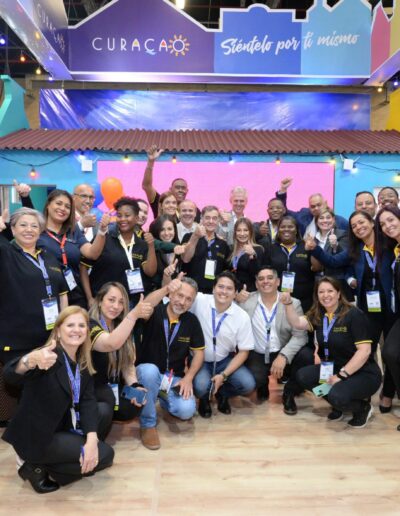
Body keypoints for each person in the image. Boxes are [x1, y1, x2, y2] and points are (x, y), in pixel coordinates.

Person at [2, 306, 114, 492]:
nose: (76, 330)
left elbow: (87, 402)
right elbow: (10, 376)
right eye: (70, 325)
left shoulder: (82, 361)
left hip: (61, 424)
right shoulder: (46, 356)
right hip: (37, 435)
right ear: (58, 331)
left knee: (101, 413)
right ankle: (33, 464)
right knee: (106, 455)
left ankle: (56, 464)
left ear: (87, 332)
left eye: (81, 325)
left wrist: (91, 440)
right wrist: (29, 360)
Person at [306, 210, 396, 412]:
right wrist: (315, 249)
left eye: (362, 222)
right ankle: (361, 392)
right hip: (368, 310)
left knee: (390, 353)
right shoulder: (356, 250)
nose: (358, 227)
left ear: (372, 223)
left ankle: (388, 393)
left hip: (391, 309)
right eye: (354, 226)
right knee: (365, 352)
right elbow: (334, 262)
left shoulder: (389, 245)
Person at [282, 277, 382, 428]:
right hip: (335, 367)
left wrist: (341, 376)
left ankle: (362, 408)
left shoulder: (354, 315)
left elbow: (365, 351)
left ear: (339, 293)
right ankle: (339, 405)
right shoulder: (319, 314)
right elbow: (297, 323)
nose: (325, 295)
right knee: (303, 376)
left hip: (363, 372)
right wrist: (288, 304)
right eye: (321, 292)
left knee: (337, 395)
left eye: (330, 291)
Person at [135, 277, 205, 450]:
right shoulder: (155, 312)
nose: (182, 302)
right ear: (171, 294)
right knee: (149, 371)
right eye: (180, 295)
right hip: (146, 374)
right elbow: (145, 305)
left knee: (186, 411)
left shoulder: (192, 322)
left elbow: (199, 353)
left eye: (188, 299)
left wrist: (188, 377)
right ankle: (148, 424)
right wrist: (166, 288)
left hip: (172, 379)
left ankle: (159, 398)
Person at [0, 208, 68, 365]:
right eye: (23, 225)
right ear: (13, 229)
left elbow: (62, 293)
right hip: (18, 340)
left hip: (49, 337)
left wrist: (63, 326)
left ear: (40, 231)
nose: (29, 229)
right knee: (20, 379)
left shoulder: (49, 257)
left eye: (34, 226)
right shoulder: (6, 253)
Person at [239, 267, 311, 415]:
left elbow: (301, 336)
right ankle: (262, 384)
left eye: (270, 278)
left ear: (278, 282)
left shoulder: (293, 303)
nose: (265, 281)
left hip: (282, 350)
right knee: (253, 381)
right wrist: (235, 298)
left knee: (306, 356)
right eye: (261, 279)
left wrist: (283, 356)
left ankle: (289, 393)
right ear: (256, 284)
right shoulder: (246, 301)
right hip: (257, 353)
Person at [89, 283, 153, 439]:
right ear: (100, 301)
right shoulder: (89, 324)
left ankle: (107, 416)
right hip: (92, 389)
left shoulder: (121, 324)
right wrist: (133, 316)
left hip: (112, 387)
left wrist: (135, 385)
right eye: (111, 300)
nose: (116, 306)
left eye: (121, 302)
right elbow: (110, 343)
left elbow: (127, 363)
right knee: (105, 406)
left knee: (134, 404)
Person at [190, 272, 256, 418]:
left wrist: (223, 375)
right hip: (200, 359)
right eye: (220, 286)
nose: (224, 291)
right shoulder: (199, 300)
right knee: (200, 387)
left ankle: (223, 393)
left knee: (248, 384)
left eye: (229, 288)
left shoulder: (242, 316)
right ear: (213, 288)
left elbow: (244, 352)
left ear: (235, 293)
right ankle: (204, 398)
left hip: (224, 360)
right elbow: (178, 294)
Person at [81, 196, 157, 309]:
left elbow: (150, 272)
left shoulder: (142, 244)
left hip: (129, 303)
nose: (122, 219)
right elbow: (83, 267)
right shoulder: (104, 238)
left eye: (127, 215)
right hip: (102, 301)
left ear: (136, 218)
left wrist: (151, 246)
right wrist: (89, 298)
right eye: (119, 215)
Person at [38, 189, 110, 308]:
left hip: (74, 293)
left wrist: (102, 230)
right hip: (49, 294)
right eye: (58, 203)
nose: (63, 208)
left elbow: (92, 253)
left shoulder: (73, 231)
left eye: (67, 207)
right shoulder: (38, 231)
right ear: (48, 205)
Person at [376, 206, 400, 424]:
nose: (388, 226)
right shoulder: (395, 249)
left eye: (391, 220)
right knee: (390, 353)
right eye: (383, 224)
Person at [265, 215, 315, 313]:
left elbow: (317, 268)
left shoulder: (305, 247)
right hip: (277, 298)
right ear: (278, 230)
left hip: (304, 299)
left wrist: (314, 249)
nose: (286, 229)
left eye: (290, 227)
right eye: (283, 227)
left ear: (296, 230)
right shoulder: (271, 248)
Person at [142, 145, 200, 221]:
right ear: (170, 189)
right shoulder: (161, 201)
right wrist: (151, 162)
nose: (180, 190)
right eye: (177, 187)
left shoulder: (192, 210)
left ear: (187, 191)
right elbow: (146, 186)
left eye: (183, 188)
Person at [275, 177, 348, 237]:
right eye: (313, 206)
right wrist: (283, 190)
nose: (316, 208)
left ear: (325, 203)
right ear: (309, 207)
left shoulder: (340, 221)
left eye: (319, 205)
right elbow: (285, 212)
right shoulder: (303, 216)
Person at [181, 205, 230, 294]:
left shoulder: (223, 244)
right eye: (207, 218)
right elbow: (185, 259)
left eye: (214, 218)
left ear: (218, 221)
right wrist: (195, 237)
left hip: (213, 293)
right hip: (190, 291)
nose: (211, 221)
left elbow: (225, 271)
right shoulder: (189, 237)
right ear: (201, 219)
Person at [310, 208, 353, 301]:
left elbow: (343, 259)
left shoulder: (343, 234)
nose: (325, 220)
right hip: (319, 285)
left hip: (338, 284)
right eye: (321, 218)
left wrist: (335, 246)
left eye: (328, 217)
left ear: (333, 220)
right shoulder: (313, 239)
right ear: (316, 221)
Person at [147, 215, 186, 290]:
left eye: (170, 229)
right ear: (157, 231)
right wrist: (174, 247)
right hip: (155, 292)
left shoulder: (179, 250)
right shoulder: (152, 247)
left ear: (175, 230)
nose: (166, 233)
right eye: (162, 230)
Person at [229, 217, 264, 292]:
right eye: (239, 230)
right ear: (235, 232)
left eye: (245, 230)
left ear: (250, 232)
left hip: (249, 293)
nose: (242, 234)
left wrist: (253, 256)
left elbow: (258, 274)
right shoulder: (231, 249)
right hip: (232, 292)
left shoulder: (258, 249)